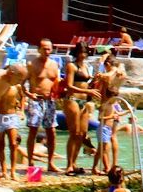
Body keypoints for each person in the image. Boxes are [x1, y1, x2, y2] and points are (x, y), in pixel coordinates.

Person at [25, 38, 61, 173]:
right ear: (39, 50)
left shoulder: (55, 64)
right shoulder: (31, 64)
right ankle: (30, 162)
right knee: (33, 130)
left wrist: (59, 93)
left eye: (49, 49)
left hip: (50, 101)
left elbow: (57, 81)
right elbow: (22, 83)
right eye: (44, 49)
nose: (47, 51)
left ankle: (50, 163)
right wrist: (28, 94)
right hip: (36, 100)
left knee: (51, 131)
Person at [60, 41, 93, 175]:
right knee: (74, 133)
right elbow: (69, 86)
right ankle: (69, 165)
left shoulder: (86, 66)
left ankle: (74, 163)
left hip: (83, 101)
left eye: (85, 52)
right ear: (76, 52)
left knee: (82, 134)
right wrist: (87, 91)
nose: (83, 55)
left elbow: (86, 84)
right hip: (72, 99)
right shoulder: (71, 66)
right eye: (81, 52)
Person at [0, 77, 25, 180]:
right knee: (1, 145)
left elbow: (23, 97)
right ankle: (4, 170)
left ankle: (13, 171)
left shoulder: (17, 86)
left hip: (12, 116)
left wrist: (22, 111)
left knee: (13, 144)